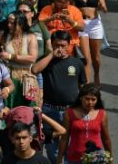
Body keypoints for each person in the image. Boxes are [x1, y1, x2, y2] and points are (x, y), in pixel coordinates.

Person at [31, 30, 88, 162]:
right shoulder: (46, 61)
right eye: (57, 45)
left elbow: (83, 86)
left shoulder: (76, 63)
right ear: (52, 44)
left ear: (69, 45)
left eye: (63, 45)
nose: (60, 49)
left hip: (72, 110)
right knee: (52, 145)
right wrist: (51, 55)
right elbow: (34, 70)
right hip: (50, 110)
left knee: (73, 142)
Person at [58, 84, 112, 164]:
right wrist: (59, 159)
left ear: (97, 100)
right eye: (87, 99)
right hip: (74, 158)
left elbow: (106, 139)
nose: (90, 102)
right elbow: (64, 139)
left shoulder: (102, 114)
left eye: (93, 99)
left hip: (96, 159)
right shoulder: (69, 113)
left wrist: (110, 159)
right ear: (80, 98)